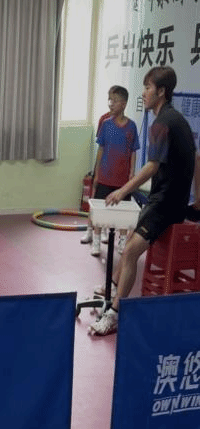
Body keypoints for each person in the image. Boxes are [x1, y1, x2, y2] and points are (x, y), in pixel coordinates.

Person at [89, 66, 196, 336]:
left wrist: (122, 191)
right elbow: (196, 158)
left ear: (161, 92)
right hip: (170, 200)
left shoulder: (162, 123)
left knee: (130, 252)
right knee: (130, 245)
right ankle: (112, 287)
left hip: (165, 204)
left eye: (148, 88)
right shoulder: (177, 119)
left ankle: (114, 314)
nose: (144, 93)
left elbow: (151, 166)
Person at [81, 86, 139, 256]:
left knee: (123, 211)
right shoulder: (106, 124)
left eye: (114, 101)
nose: (110, 104)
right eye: (109, 100)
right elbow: (100, 150)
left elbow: (133, 151)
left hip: (123, 180)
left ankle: (122, 242)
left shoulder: (132, 127)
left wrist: (132, 173)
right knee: (99, 210)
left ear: (124, 104)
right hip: (105, 176)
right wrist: (97, 173)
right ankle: (96, 241)